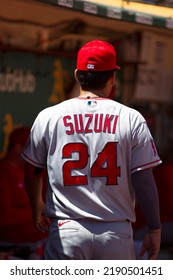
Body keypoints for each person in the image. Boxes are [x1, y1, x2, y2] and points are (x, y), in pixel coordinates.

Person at [22, 40, 162, 260]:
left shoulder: (48, 116)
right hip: (115, 232)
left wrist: (36, 204)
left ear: (77, 76)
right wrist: (154, 227)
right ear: (112, 79)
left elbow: (31, 171)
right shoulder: (131, 118)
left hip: (67, 231)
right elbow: (143, 179)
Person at [0, 127, 47, 259]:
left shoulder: (32, 172)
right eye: (34, 148)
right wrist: (38, 211)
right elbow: (3, 216)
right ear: (18, 147)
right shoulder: (3, 173)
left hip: (40, 244)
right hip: (14, 250)